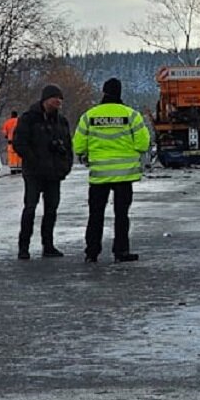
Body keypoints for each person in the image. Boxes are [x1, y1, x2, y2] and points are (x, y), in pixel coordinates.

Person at [73, 78, 151, 263]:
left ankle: (92, 252)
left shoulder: (89, 115)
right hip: (124, 175)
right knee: (121, 215)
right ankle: (121, 251)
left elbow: (78, 146)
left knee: (95, 214)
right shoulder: (131, 115)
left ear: (103, 92)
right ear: (120, 92)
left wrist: (89, 154)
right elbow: (143, 143)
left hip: (99, 175)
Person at [12, 84, 73, 259]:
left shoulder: (61, 121)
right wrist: (33, 160)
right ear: (46, 99)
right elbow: (19, 143)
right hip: (34, 173)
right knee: (30, 208)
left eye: (61, 99)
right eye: (56, 98)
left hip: (54, 173)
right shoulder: (29, 118)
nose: (59, 102)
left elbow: (68, 145)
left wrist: (65, 164)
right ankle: (24, 247)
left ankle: (48, 245)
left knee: (51, 210)